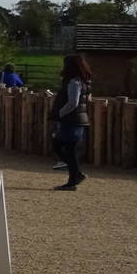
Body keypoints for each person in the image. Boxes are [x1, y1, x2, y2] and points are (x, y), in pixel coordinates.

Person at [52, 54, 92, 190]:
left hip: (71, 119)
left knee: (63, 148)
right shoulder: (81, 81)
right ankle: (76, 176)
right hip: (76, 119)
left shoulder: (74, 81)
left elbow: (73, 102)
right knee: (66, 149)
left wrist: (60, 113)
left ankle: (73, 180)